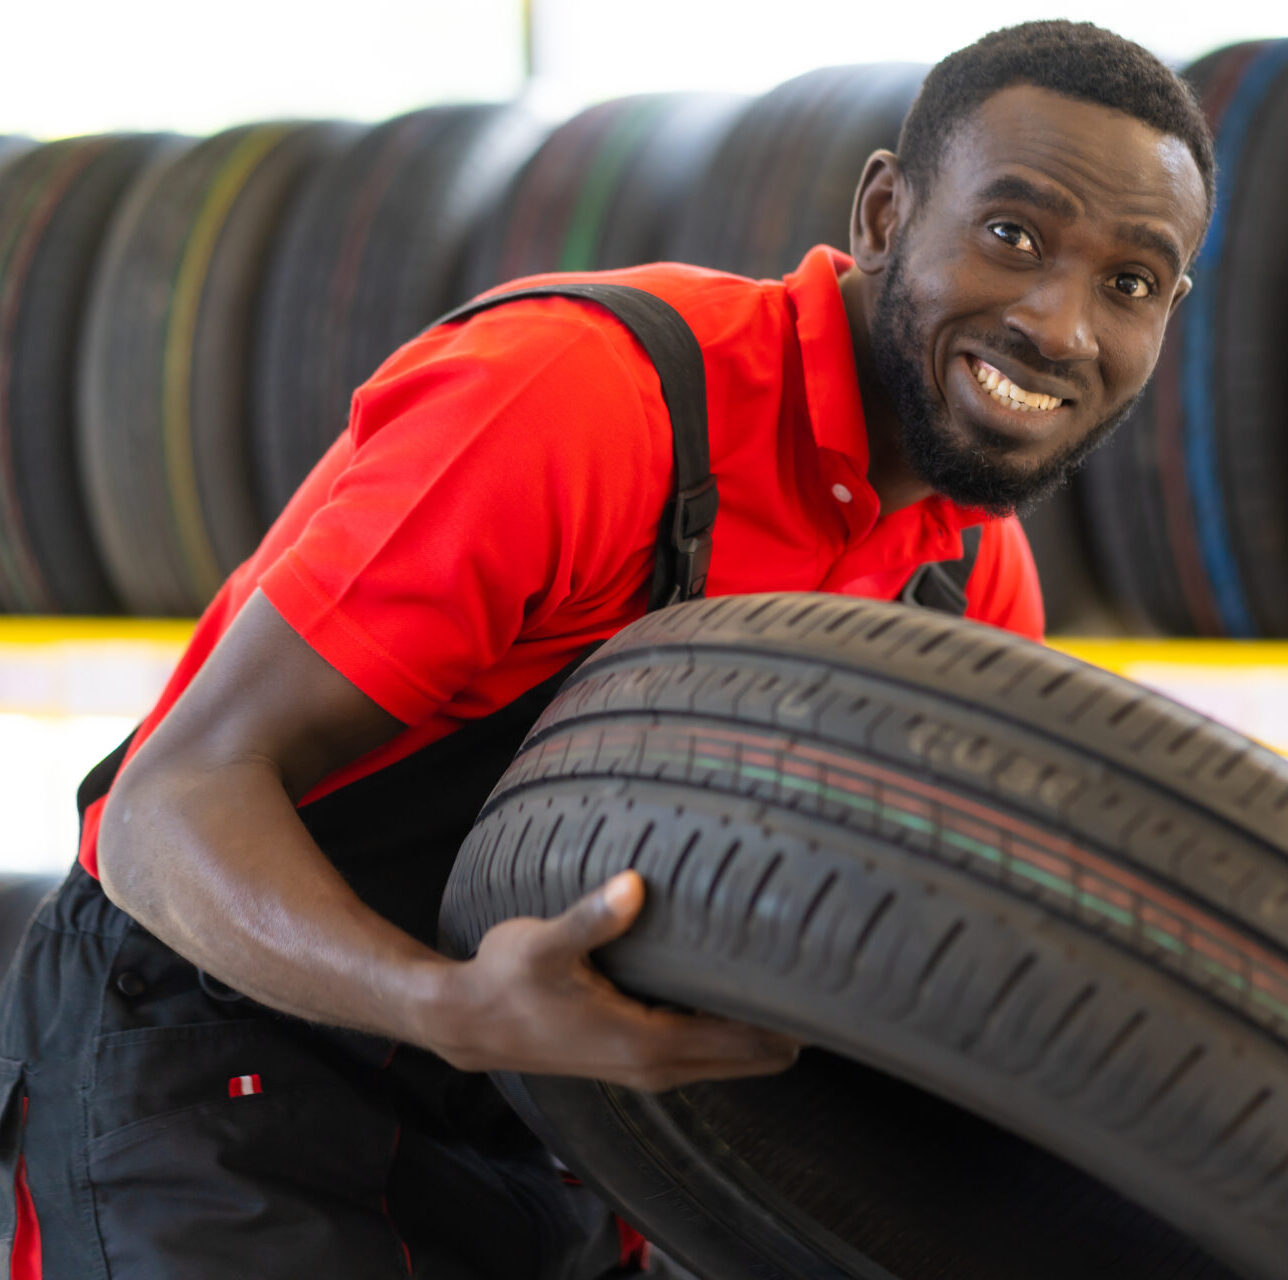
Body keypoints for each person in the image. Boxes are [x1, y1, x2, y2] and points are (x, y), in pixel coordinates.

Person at [0, 19, 1215, 1279]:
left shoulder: (967, 577)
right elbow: (166, 807)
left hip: (547, 1119)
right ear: (882, 212)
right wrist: (449, 1005)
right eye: (1011, 234)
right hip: (214, 1053)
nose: (1061, 325)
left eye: (1129, 282)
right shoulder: (587, 401)